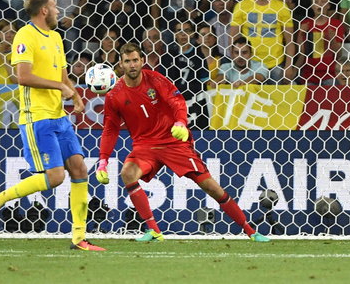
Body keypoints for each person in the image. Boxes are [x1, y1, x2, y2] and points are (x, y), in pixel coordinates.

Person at [96, 43, 269, 243]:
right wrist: (103, 160)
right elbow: (110, 129)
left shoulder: (156, 79)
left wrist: (180, 122)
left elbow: (176, 101)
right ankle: (154, 230)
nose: (132, 65)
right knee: (127, 173)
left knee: (211, 187)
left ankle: (249, 230)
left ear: (142, 61)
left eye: (135, 60)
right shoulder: (114, 94)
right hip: (144, 147)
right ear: (121, 65)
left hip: (173, 142)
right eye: (128, 61)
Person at [0, 0, 103, 251]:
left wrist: (76, 95)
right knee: (55, 177)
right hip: (37, 117)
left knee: (80, 169)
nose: (58, 10)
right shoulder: (25, 35)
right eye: (55, 6)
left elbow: (62, 75)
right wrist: (59, 88)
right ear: (44, 9)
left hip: (59, 116)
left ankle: (79, 237)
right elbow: (22, 76)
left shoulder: (56, 37)